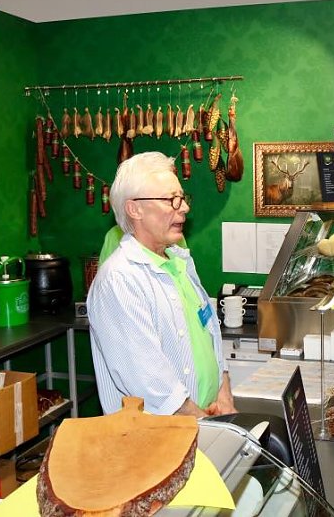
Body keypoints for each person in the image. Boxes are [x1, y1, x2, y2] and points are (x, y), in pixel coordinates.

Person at [87, 152, 236, 417]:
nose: (185, 208)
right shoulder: (119, 280)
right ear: (135, 209)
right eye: (171, 200)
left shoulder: (179, 261)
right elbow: (150, 383)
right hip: (159, 439)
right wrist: (206, 424)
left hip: (204, 422)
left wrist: (224, 396)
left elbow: (210, 334)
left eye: (182, 198)